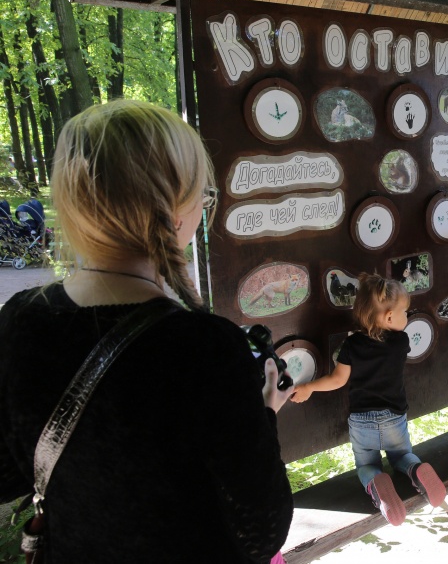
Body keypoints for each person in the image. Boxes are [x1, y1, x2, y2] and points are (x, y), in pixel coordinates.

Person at [0, 100, 294, 563]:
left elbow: (8, 472)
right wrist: (264, 416)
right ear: (177, 214)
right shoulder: (205, 346)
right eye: (203, 196)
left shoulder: (21, 318)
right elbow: (263, 531)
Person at [290, 273, 446, 526]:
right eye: (404, 312)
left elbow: (338, 380)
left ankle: (376, 481)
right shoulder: (401, 342)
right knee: (402, 455)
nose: (406, 317)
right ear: (388, 317)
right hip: (394, 418)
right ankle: (416, 470)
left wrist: (308, 387)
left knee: (366, 465)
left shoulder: (352, 345)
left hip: (362, 421)